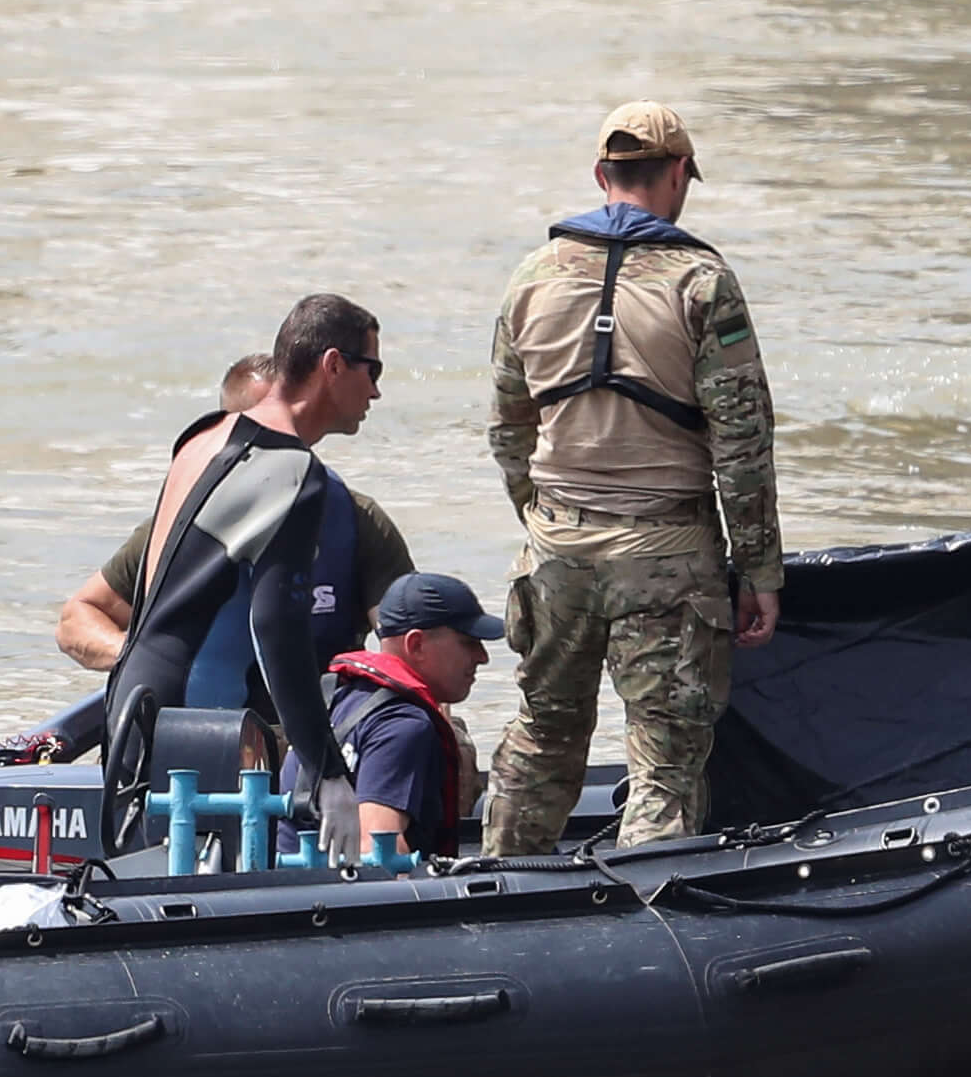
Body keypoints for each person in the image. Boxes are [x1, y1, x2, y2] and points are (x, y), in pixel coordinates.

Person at [483, 98, 783, 850]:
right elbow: (742, 443)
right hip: (668, 556)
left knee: (544, 732)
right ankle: (647, 922)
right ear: (678, 174)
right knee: (666, 759)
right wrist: (758, 571)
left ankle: (488, 894)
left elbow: (507, 428)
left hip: (557, 549)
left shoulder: (531, 276)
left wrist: (545, 516)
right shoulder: (702, 284)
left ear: (600, 175)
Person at [96, 293, 396, 798]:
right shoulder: (294, 473)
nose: (377, 393)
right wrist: (326, 772)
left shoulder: (206, 435)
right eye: (374, 370)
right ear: (333, 365)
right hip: (196, 725)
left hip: (131, 704)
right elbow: (277, 634)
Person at [53, 348, 415, 675]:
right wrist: (144, 660)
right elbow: (77, 618)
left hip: (312, 723)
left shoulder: (359, 522)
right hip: (205, 725)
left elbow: (413, 648)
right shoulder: (176, 527)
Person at [319, 574, 501, 862]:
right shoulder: (403, 726)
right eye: (468, 642)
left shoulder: (339, 698)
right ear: (416, 645)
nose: (482, 657)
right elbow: (376, 849)